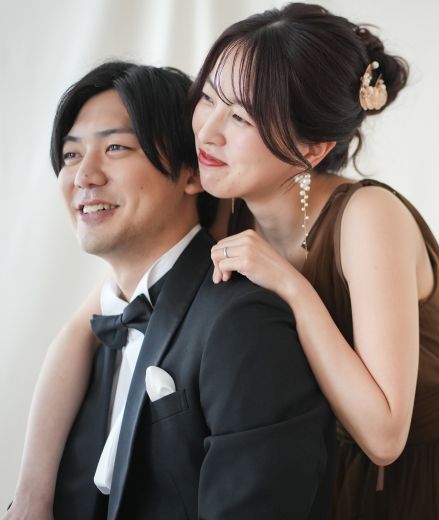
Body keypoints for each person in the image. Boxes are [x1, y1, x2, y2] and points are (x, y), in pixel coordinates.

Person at [7, 4, 439, 519]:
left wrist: (293, 288)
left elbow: (385, 435)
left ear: (311, 148)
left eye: (241, 117)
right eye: (209, 98)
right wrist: (32, 496)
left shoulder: (367, 216)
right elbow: (87, 329)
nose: (207, 131)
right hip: (324, 463)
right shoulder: (227, 204)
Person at [6, 61, 334, 519]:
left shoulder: (243, 323)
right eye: (71, 155)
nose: (84, 177)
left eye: (116, 147)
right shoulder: (92, 339)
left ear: (192, 173)